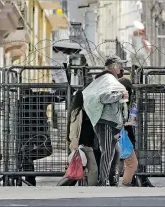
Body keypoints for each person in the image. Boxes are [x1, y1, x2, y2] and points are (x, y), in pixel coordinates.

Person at [83, 55, 128, 186]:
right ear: (114, 66)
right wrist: (120, 95)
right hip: (106, 122)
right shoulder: (108, 80)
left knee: (116, 151)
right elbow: (103, 97)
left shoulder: (108, 79)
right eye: (120, 65)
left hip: (111, 122)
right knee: (108, 152)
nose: (122, 68)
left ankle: (112, 179)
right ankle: (103, 181)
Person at [57, 90, 98, 186]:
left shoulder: (85, 111)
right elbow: (73, 129)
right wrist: (74, 145)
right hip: (82, 145)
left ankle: (61, 186)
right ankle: (92, 190)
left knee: (76, 169)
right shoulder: (78, 112)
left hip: (86, 145)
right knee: (93, 169)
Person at [118, 77, 139, 186]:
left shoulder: (124, 103)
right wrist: (127, 124)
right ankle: (125, 184)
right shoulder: (121, 103)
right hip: (123, 137)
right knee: (132, 164)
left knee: (119, 164)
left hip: (122, 137)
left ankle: (114, 184)